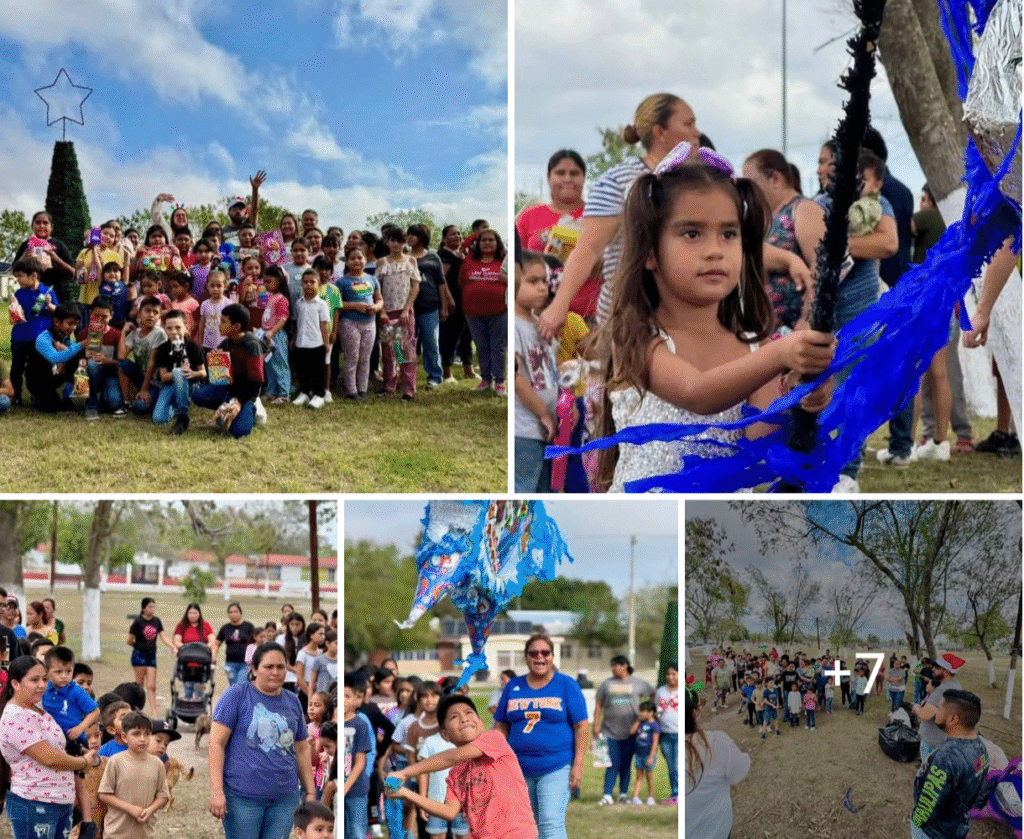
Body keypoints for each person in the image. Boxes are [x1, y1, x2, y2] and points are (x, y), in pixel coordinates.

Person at [592, 143, 835, 493]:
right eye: (692, 233)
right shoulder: (635, 337)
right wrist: (781, 353)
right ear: (650, 252)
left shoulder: (754, 347)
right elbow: (697, 393)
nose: (715, 251)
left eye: (729, 234)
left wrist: (801, 398)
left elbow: (760, 443)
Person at [385, 693, 538, 839]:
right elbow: (449, 811)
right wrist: (406, 793)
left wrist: (405, 772)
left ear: (480, 723)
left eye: (469, 713)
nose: (464, 719)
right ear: (445, 735)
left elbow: (452, 757)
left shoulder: (494, 738)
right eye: (454, 717)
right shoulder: (456, 773)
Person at [208, 642, 316, 839]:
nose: (275, 672)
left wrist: (310, 792)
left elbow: (302, 748)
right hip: (242, 798)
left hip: (285, 799)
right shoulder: (236, 696)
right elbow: (216, 744)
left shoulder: (292, 701)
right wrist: (217, 791)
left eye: (280, 667)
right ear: (254, 669)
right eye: (268, 667)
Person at [492, 633, 588, 839]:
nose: (539, 657)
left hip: (555, 764)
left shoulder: (566, 684)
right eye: (533, 653)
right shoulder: (513, 686)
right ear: (526, 657)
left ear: (552, 656)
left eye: (545, 652)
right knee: (530, 827)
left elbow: (581, 726)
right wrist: (499, 757)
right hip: (518, 768)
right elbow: (500, 725)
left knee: (550, 823)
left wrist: (578, 765)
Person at [0, 656, 102, 839]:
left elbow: (56, 746)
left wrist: (80, 751)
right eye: (34, 680)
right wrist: (82, 762)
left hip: (59, 801)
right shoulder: (15, 716)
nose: (42, 685)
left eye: (45, 679)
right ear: (15, 684)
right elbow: (49, 758)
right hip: (35, 802)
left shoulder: (39, 706)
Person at [742, 148, 826, 330]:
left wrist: (807, 319)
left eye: (751, 184)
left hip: (795, 330)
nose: (747, 192)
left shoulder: (804, 209)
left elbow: (822, 268)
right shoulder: (766, 218)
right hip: (767, 331)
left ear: (775, 179)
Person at [516, 150, 595, 316]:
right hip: (539, 314)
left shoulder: (599, 215)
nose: (567, 179)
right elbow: (517, 266)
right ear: (548, 177)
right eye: (560, 173)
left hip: (590, 312)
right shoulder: (529, 217)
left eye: (574, 173)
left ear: (583, 177)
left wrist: (582, 252)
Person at [910, 690, 990, 839]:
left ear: (953, 718)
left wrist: (916, 821)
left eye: (939, 708)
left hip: (933, 832)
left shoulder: (946, 758)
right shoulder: (982, 748)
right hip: (958, 827)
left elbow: (928, 804)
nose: (935, 711)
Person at [514, 253, 558, 492]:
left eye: (544, 281)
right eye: (533, 281)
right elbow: (517, 377)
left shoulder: (540, 323)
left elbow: (552, 370)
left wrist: (565, 401)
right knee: (523, 492)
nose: (542, 287)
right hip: (524, 431)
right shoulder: (514, 325)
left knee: (542, 493)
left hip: (544, 430)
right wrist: (543, 414)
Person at [191, 304, 265, 438]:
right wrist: (215, 362)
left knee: (238, 432)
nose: (219, 325)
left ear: (237, 326)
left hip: (247, 393)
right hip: (229, 389)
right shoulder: (226, 343)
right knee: (198, 396)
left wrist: (239, 401)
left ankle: (252, 408)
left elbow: (256, 381)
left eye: (223, 322)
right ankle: (227, 407)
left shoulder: (252, 345)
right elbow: (218, 377)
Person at [684, 688, 748, 839]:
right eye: (699, 705)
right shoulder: (716, 742)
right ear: (694, 712)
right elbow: (740, 771)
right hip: (716, 829)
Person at [97, 710, 170, 839]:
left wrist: (150, 810)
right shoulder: (115, 761)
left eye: (147, 734)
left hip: (144, 833)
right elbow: (104, 794)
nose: (142, 739)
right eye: (136, 734)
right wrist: (129, 808)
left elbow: (163, 796)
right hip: (116, 833)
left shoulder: (157, 764)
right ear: (124, 737)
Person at [593, 655, 653, 805]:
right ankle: (607, 794)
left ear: (625, 666)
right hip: (609, 731)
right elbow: (598, 704)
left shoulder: (638, 683)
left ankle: (623, 794)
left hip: (631, 732)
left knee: (626, 764)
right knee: (611, 763)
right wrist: (595, 724)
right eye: (612, 666)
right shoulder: (606, 684)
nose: (613, 668)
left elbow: (653, 694)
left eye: (616, 665)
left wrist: (648, 712)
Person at [459, 229, 508, 395]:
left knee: (498, 347)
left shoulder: (505, 261)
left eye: (491, 240)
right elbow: (462, 282)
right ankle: (485, 380)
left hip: (500, 311)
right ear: (478, 244)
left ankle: (500, 381)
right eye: (483, 240)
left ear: (497, 243)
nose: (487, 243)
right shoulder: (468, 260)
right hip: (473, 312)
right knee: (482, 346)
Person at [8, 255, 58, 407]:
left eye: (20, 276)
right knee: (17, 368)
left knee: (40, 369)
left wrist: (49, 305)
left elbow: (57, 313)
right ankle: (16, 395)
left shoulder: (48, 292)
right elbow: (15, 317)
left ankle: (39, 394)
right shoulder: (19, 293)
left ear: (33, 276)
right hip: (20, 337)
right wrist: (13, 306)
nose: (18, 280)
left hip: (40, 338)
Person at [407, 223, 452, 389]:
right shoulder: (403, 257)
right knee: (404, 343)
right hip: (407, 308)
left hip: (429, 307)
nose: (409, 237)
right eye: (408, 234)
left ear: (422, 237)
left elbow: (441, 282)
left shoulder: (433, 256)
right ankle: (404, 376)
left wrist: (444, 306)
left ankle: (434, 375)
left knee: (431, 343)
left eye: (413, 234)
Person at [151, 309, 206, 434]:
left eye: (178, 327)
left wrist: (193, 373)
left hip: (190, 384)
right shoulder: (163, 348)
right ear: (164, 329)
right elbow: (164, 376)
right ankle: (176, 406)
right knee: (158, 419)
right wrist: (179, 373)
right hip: (170, 385)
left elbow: (203, 373)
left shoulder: (193, 346)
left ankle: (182, 415)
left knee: (178, 372)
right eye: (169, 328)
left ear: (186, 327)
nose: (173, 332)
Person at [338, 247, 382, 400]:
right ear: (347, 261)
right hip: (350, 323)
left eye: (359, 257)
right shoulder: (342, 281)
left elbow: (379, 300)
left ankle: (362, 389)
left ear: (365, 260)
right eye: (352, 258)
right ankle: (351, 390)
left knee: (365, 357)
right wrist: (355, 306)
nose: (356, 261)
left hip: (369, 323)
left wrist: (375, 307)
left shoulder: (372, 279)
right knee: (352, 357)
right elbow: (337, 303)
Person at [13, 210, 75, 308]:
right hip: (29, 296)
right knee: (32, 316)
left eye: (45, 223)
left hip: (55, 294)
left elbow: (72, 273)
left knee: (50, 316)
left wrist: (56, 259)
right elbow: (14, 271)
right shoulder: (26, 245)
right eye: (38, 222)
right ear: (32, 226)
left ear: (51, 227)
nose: (41, 226)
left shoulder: (59, 245)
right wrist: (23, 257)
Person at [437, 224, 475, 383]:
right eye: (453, 234)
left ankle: (469, 370)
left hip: (466, 302)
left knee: (467, 336)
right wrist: (448, 299)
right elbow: (442, 279)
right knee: (450, 337)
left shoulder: (463, 254)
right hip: (452, 303)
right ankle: (446, 373)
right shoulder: (443, 255)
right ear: (444, 238)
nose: (457, 236)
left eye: (459, 233)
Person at [26, 302, 80, 412]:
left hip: (53, 376)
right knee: (53, 407)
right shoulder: (43, 338)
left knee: (77, 358)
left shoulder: (65, 338)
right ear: (57, 322)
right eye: (70, 323)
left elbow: (75, 355)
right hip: (38, 380)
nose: (73, 328)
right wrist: (81, 345)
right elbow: (54, 358)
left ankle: (67, 395)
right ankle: (38, 395)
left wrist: (67, 349)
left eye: (76, 324)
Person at [913, 651, 965, 763]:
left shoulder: (942, 690)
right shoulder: (956, 685)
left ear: (946, 672)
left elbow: (924, 715)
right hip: (944, 740)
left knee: (928, 769)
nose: (933, 669)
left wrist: (916, 707)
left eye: (936, 668)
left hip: (932, 741)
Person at [291, 269, 331, 408]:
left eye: (312, 282)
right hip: (301, 343)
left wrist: (326, 343)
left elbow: (323, 325)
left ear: (318, 283)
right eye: (305, 282)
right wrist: (294, 339)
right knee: (302, 370)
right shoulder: (298, 303)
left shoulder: (321, 304)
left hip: (316, 343)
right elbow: (296, 322)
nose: (308, 285)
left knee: (317, 371)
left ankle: (319, 394)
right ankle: (304, 392)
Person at [127, 598, 173, 718]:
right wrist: (138, 646)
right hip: (139, 656)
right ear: (144, 608)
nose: (152, 609)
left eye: (153, 607)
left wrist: (172, 646)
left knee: (151, 686)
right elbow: (129, 640)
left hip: (151, 656)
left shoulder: (156, 621)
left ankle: (154, 712)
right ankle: (136, 710)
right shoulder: (137, 622)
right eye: (150, 607)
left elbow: (163, 636)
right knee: (139, 685)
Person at [211, 603, 257, 686]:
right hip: (230, 663)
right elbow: (216, 644)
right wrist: (213, 657)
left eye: (236, 612)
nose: (233, 614)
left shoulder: (248, 626)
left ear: (240, 613)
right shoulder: (225, 628)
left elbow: (255, 643)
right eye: (231, 612)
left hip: (245, 663)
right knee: (233, 685)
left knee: (240, 684)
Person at [628, 701, 660, 805]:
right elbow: (631, 732)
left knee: (649, 776)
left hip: (648, 755)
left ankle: (651, 797)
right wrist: (638, 720)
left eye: (643, 711)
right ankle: (635, 797)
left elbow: (655, 743)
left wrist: (651, 757)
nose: (640, 713)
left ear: (650, 712)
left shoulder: (655, 726)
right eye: (640, 711)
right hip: (639, 754)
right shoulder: (641, 723)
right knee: (639, 776)